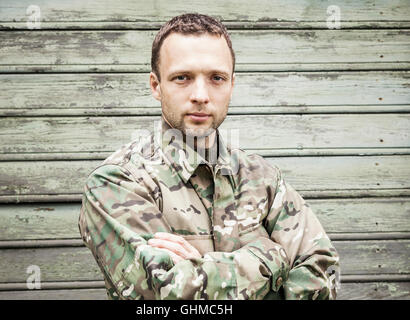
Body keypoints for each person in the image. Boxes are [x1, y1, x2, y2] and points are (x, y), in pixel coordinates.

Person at [78, 13, 340, 300]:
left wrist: (206, 273)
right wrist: (271, 256)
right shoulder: (117, 182)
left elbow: (322, 274)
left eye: (216, 78)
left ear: (231, 84)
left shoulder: (263, 178)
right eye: (182, 78)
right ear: (156, 86)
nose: (201, 95)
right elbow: (172, 293)